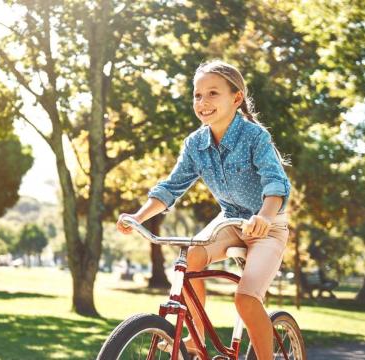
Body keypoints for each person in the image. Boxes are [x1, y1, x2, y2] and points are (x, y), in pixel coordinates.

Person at [116, 60, 291, 360]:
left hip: (268, 226)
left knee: (247, 299)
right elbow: (171, 187)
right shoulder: (195, 143)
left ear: (236, 98)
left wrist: (263, 217)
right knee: (189, 261)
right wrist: (138, 216)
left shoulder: (255, 137)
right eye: (197, 95)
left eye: (212, 93)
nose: (203, 102)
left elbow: (276, 184)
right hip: (229, 222)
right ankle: (196, 339)